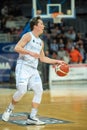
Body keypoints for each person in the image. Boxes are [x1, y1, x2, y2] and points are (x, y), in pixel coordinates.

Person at [2, 16, 65, 125]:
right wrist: (30, 53)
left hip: (33, 69)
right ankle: (9, 109)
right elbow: (17, 48)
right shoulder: (28, 36)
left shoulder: (41, 42)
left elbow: (42, 58)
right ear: (35, 26)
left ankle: (32, 117)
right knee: (22, 90)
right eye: (41, 24)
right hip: (23, 66)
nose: (43, 26)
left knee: (39, 91)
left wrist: (57, 61)